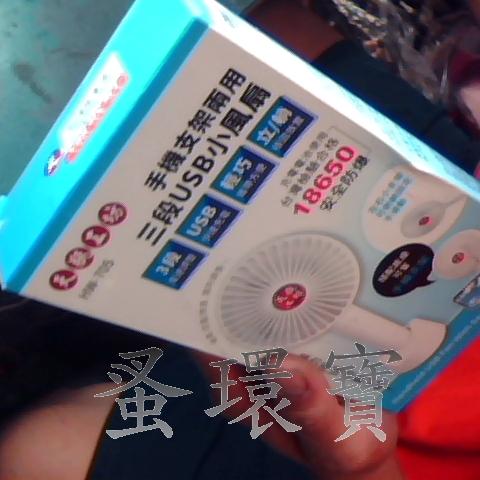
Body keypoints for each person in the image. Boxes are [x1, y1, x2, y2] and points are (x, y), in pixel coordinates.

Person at [1, 1, 480, 479]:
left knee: (37, 454)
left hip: (369, 422)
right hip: (450, 212)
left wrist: (364, 471)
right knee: (270, 34)